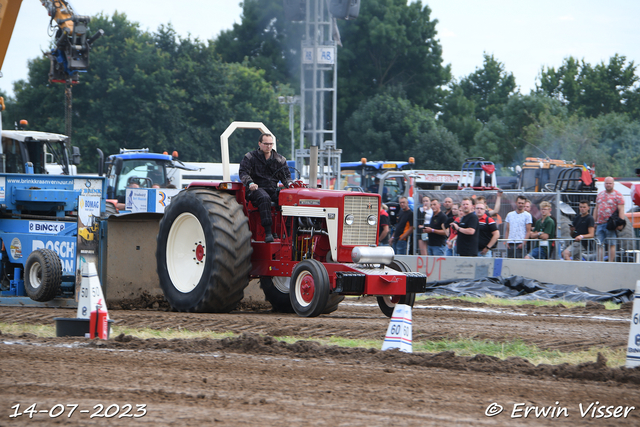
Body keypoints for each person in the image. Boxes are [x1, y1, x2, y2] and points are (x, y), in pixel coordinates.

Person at [239, 133, 292, 243]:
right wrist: (250, 183)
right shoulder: (250, 157)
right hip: (255, 189)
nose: (268, 146)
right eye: (266, 144)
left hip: (272, 188)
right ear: (260, 144)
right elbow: (243, 173)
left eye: (271, 144)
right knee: (264, 197)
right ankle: (268, 232)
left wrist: (291, 186)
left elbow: (286, 177)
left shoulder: (280, 160)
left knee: (289, 199)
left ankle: (287, 232)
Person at [592, 176, 625, 262]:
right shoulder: (600, 194)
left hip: (610, 224)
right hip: (600, 223)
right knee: (599, 244)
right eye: (606, 183)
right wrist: (594, 221)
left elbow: (621, 209)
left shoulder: (618, 195)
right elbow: (596, 208)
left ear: (613, 184)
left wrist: (621, 223)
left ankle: (610, 263)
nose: (608, 185)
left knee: (611, 244)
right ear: (604, 184)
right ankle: (600, 262)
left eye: (610, 183)